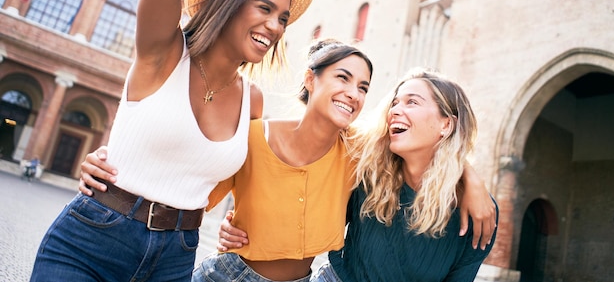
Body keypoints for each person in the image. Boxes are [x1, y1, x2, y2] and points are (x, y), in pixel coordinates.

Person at [81, 40, 495, 282]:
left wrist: (467, 176)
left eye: (364, 87)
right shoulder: (265, 138)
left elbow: (425, 155)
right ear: (310, 80)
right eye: (343, 78)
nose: (358, 94)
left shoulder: (363, 159)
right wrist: (120, 169)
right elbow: (190, 180)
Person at [29, 0, 315, 282]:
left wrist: (235, 221)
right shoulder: (163, 53)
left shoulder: (252, 100)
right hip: (92, 242)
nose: (275, 27)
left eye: (283, 18)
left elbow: (234, 179)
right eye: (264, 8)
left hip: (175, 259)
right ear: (230, 2)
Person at [311, 68, 498, 282]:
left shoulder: (478, 212)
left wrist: (469, 177)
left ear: (446, 125)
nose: (395, 110)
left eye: (412, 102)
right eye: (395, 103)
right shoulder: (367, 168)